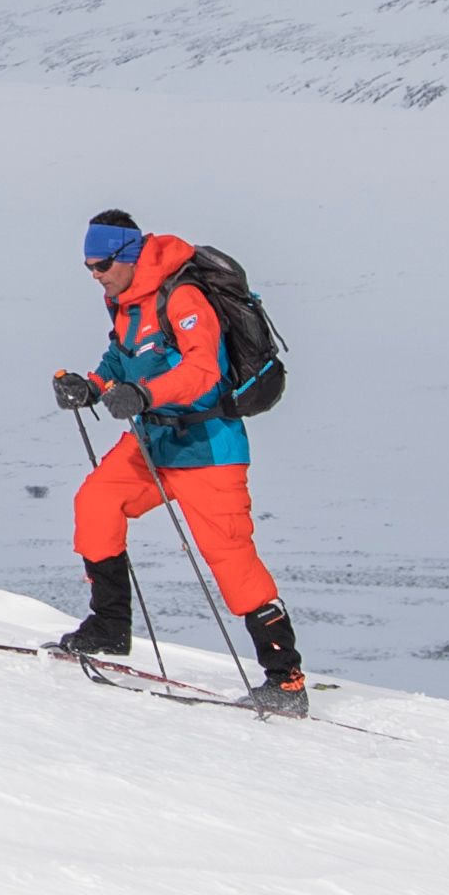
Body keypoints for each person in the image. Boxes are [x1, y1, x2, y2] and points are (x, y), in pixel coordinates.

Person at [48, 209, 309, 709]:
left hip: (208, 446)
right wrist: (92, 385)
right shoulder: (122, 301)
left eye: (101, 264)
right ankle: (108, 628)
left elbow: (203, 372)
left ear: (127, 256)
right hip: (152, 444)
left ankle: (286, 680)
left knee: (232, 558)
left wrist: (143, 395)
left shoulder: (182, 296)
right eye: (88, 267)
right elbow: (120, 358)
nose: (95, 275)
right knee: (96, 504)